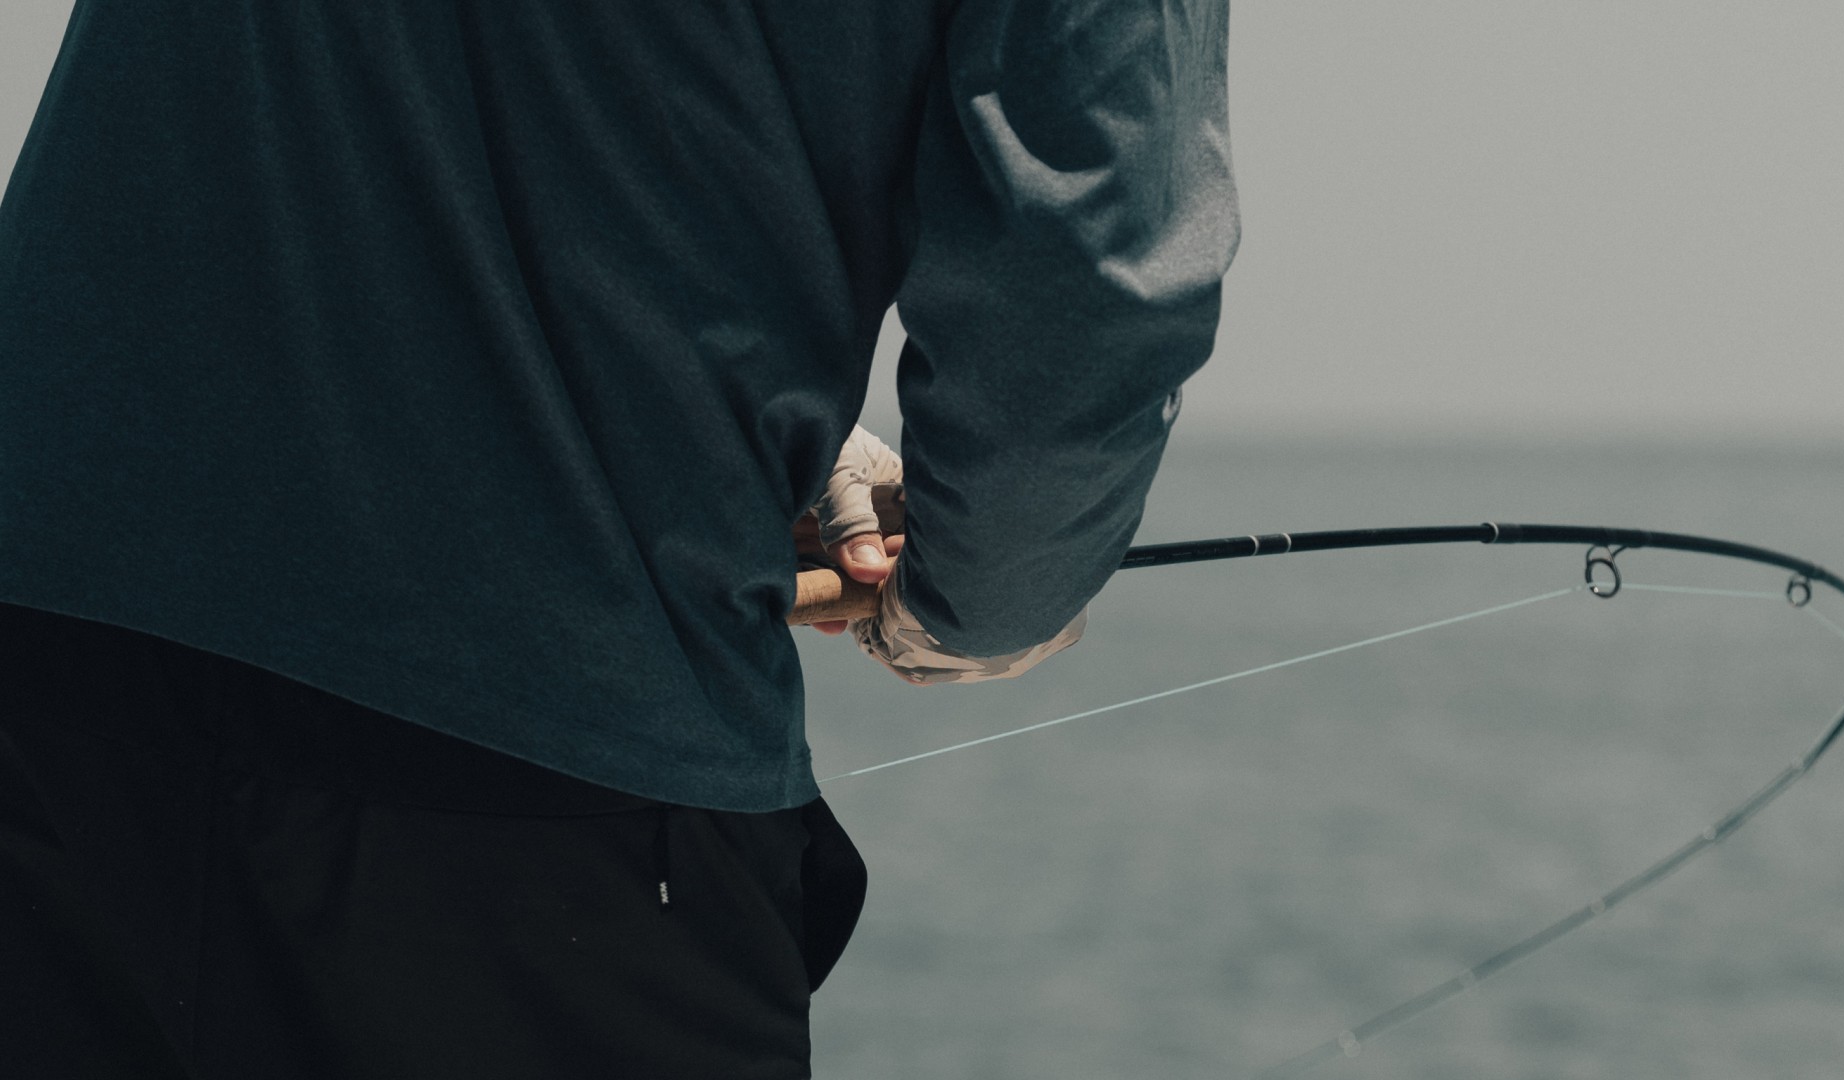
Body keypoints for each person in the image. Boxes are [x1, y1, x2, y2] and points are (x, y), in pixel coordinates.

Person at [0, 1, 1238, 1076]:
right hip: (529, 786)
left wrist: (772, 444)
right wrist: (976, 597)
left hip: (49, 665)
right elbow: (1087, 288)